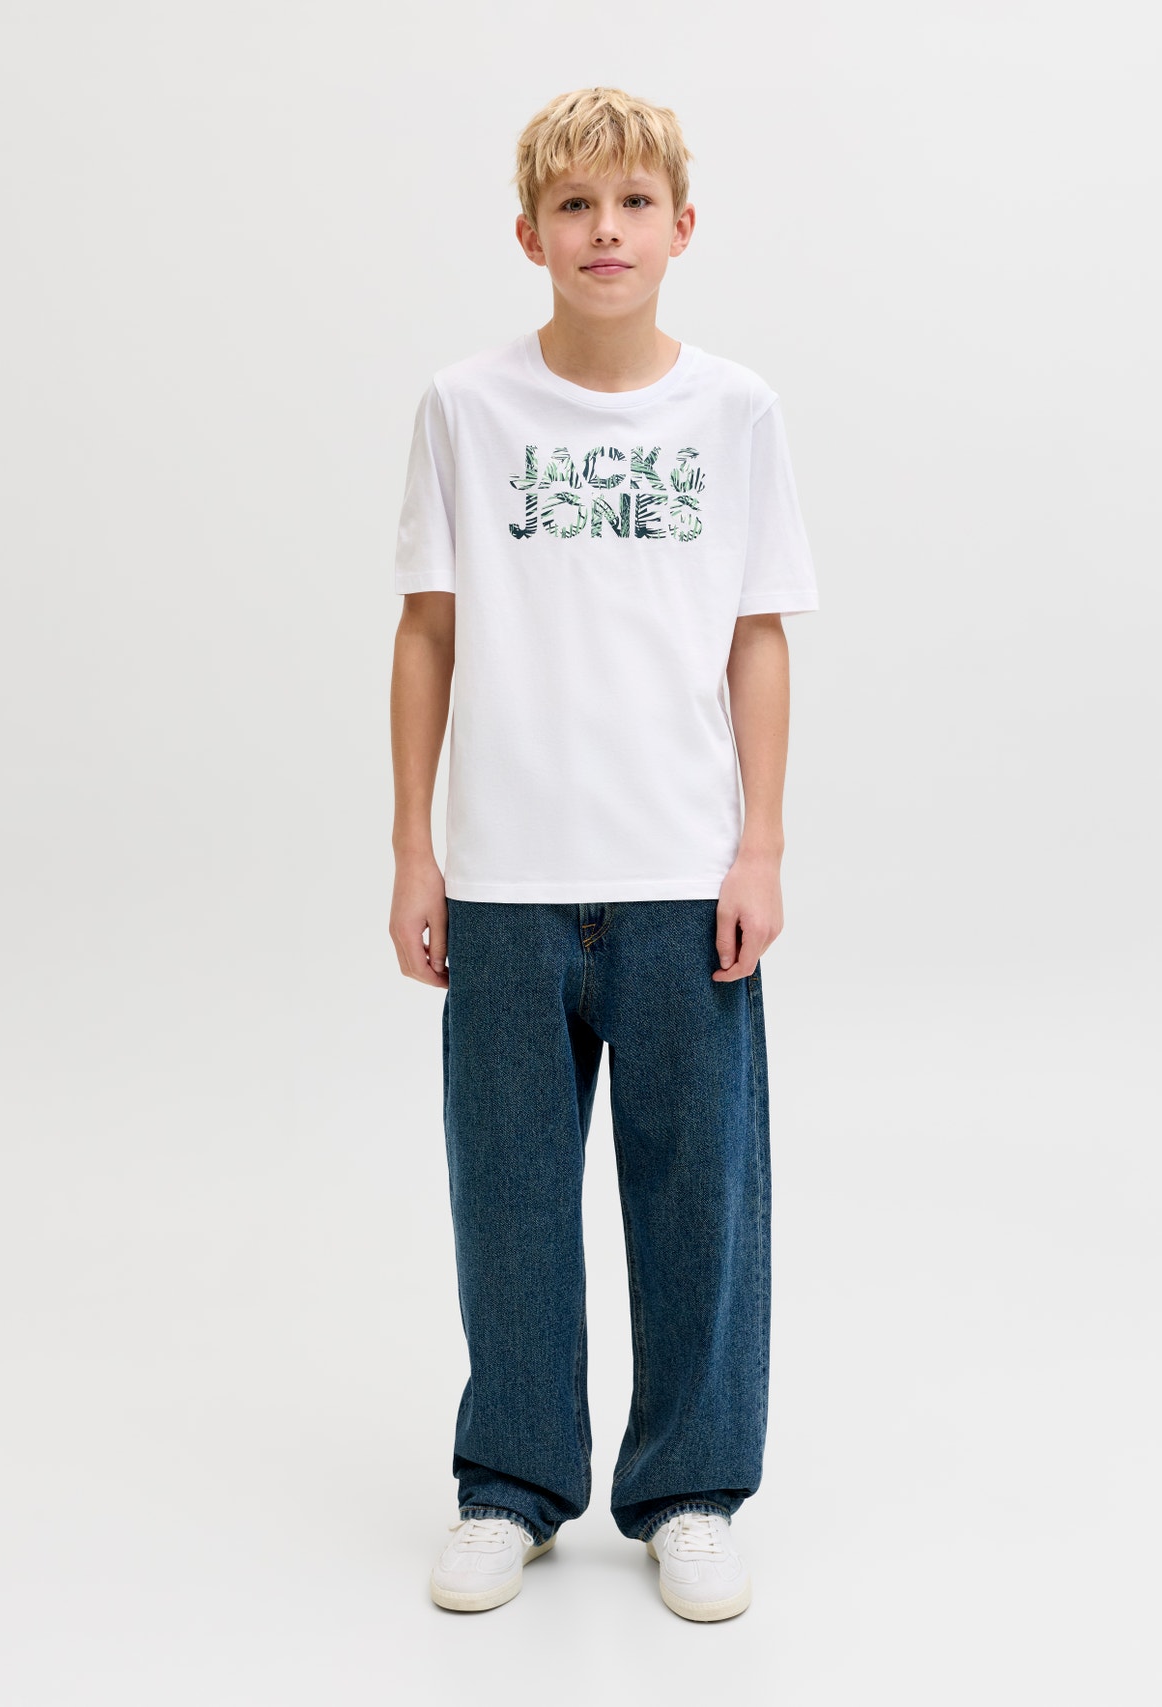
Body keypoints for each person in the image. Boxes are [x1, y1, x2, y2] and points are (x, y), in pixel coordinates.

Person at [388, 86, 819, 1622]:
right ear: (530, 234)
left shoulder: (735, 412)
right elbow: (427, 632)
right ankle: (511, 1486)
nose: (606, 231)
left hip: (682, 877)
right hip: (507, 880)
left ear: (682, 226)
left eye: (634, 203)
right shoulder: (466, 408)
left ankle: (690, 1489)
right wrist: (415, 850)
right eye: (575, 206)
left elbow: (757, 638)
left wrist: (760, 846)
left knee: (697, 1199)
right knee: (509, 1199)